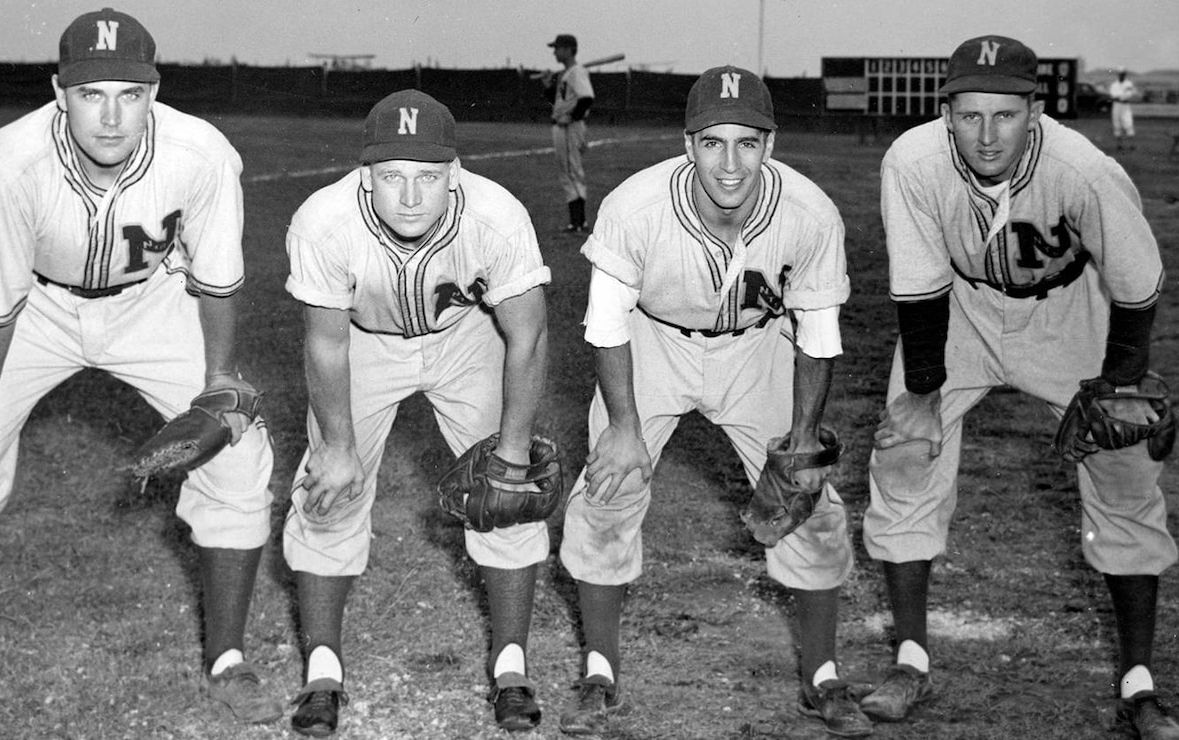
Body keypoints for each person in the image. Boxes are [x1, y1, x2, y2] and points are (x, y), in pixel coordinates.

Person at [0, 8, 281, 738]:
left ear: (155, 90)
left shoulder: (200, 153)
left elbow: (219, 282)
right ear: (58, 91)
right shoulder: (5, 164)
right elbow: (1, 305)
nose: (110, 116)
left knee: (240, 456)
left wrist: (221, 380)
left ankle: (228, 659)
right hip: (33, 309)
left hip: (155, 302)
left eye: (130, 95)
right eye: (90, 94)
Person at [862, 35, 1179, 740]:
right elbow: (918, 285)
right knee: (906, 454)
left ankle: (1140, 683)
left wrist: (1121, 379)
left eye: (1004, 115)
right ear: (947, 113)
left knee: (1125, 472)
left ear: (1033, 111)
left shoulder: (1081, 169)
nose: (986, 134)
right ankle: (910, 661)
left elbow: (1137, 282)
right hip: (960, 310)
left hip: (1071, 310)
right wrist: (919, 394)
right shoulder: (913, 161)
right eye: (970, 115)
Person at [558, 66, 869, 738]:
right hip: (651, 340)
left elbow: (818, 335)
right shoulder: (635, 207)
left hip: (756, 347)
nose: (730, 162)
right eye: (712, 143)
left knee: (808, 501)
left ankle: (822, 676)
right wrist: (623, 428)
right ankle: (599, 672)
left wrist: (803, 440)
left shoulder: (809, 213)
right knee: (608, 490)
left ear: (771, 143)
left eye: (747, 143)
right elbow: (607, 324)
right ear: (688, 143)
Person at [281, 89, 551, 736]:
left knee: (509, 490)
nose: (409, 197)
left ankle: (510, 667)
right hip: (365, 343)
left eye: (427, 178)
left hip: (466, 336)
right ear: (364, 175)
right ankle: (323, 672)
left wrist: (513, 446)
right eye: (392, 177)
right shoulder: (323, 222)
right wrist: (339, 448)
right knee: (327, 490)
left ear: (454, 174)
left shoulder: (495, 217)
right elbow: (325, 340)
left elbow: (529, 335)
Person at [543, 33, 596, 234]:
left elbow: (586, 99)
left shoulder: (576, 72)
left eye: (557, 48)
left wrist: (571, 117)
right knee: (569, 171)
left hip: (568, 127)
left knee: (571, 172)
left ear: (567, 49)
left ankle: (578, 223)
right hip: (565, 125)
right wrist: (548, 86)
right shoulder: (569, 73)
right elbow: (559, 102)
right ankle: (578, 222)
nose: (555, 52)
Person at [1110, 69, 1139, 153]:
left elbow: (1128, 95)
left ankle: (1131, 144)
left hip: (1125, 106)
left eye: (1123, 74)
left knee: (1128, 124)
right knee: (1117, 124)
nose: (1121, 75)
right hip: (1116, 106)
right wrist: (1121, 95)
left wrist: (1120, 96)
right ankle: (1119, 145)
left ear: (1125, 75)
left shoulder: (1128, 84)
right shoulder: (1114, 84)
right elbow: (1113, 95)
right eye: (1120, 74)